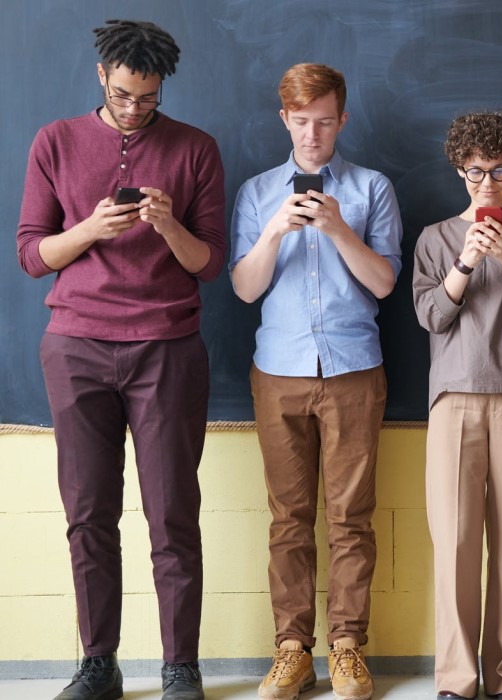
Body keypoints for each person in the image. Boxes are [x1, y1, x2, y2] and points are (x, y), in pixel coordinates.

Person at [15, 18, 224, 700]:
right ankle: (98, 663)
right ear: (102, 74)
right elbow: (30, 255)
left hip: (166, 348)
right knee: (88, 513)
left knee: (172, 514)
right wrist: (89, 230)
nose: (136, 110)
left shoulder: (196, 149)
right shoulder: (55, 141)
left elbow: (210, 262)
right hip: (75, 346)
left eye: (150, 98)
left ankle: (178, 667)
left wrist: (166, 224)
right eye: (127, 94)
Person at [229, 63, 402, 700]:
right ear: (284, 120)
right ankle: (292, 649)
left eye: (324, 121)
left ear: (342, 120)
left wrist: (336, 227)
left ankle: (349, 647)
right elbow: (245, 288)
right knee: (288, 519)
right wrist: (276, 227)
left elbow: (385, 283)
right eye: (301, 122)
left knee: (351, 518)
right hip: (279, 370)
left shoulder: (371, 188)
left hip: (355, 368)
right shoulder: (255, 193)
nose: (312, 134)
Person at [412, 110, 502, 700]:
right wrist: (467, 260)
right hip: (452, 401)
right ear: (460, 171)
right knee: (453, 545)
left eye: (498, 171)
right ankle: (456, 679)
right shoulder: (435, 238)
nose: (487, 184)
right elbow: (432, 315)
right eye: (476, 172)